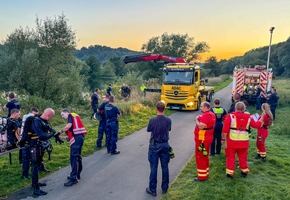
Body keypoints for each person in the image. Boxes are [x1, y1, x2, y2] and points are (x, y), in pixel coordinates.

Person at [222, 102, 263, 178]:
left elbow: (225, 130)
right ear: (244, 109)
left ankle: (230, 173)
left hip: (232, 141)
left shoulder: (230, 117)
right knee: (243, 157)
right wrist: (262, 119)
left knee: (230, 157)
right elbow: (257, 125)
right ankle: (244, 171)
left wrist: (223, 139)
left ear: (235, 108)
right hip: (244, 142)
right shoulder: (249, 117)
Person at [27, 108, 60, 196]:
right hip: (34, 146)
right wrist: (52, 134)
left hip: (39, 146)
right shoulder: (36, 121)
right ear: (48, 115)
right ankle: (36, 188)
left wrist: (56, 136)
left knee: (37, 165)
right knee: (35, 166)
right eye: (51, 117)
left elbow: (49, 131)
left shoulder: (42, 121)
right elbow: (42, 136)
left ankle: (35, 183)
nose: (51, 119)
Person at [146, 101, 172, 197]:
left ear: (156, 109)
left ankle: (152, 189)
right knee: (165, 167)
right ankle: (164, 188)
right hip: (165, 145)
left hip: (154, 145)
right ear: (164, 109)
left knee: (154, 168)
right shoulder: (168, 120)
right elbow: (169, 129)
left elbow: (149, 129)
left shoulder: (152, 120)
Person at [58, 109, 87, 187]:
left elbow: (68, 126)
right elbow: (72, 134)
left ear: (66, 112)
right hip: (80, 138)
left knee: (73, 158)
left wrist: (60, 132)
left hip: (77, 139)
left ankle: (73, 178)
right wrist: (62, 137)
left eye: (62, 115)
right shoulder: (75, 117)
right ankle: (77, 175)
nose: (62, 117)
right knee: (78, 157)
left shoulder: (70, 116)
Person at [194, 101, 216, 181]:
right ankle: (205, 173)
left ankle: (202, 177)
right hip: (206, 138)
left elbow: (201, 126)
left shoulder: (206, 115)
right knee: (205, 156)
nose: (200, 107)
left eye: (201, 106)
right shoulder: (211, 114)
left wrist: (196, 119)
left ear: (206, 107)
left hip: (202, 140)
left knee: (200, 157)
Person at [20, 107, 39, 179]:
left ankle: (26, 173)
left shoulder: (24, 117)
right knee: (26, 157)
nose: (35, 116)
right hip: (26, 139)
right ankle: (25, 174)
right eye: (35, 114)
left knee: (26, 157)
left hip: (23, 138)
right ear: (32, 112)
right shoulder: (29, 117)